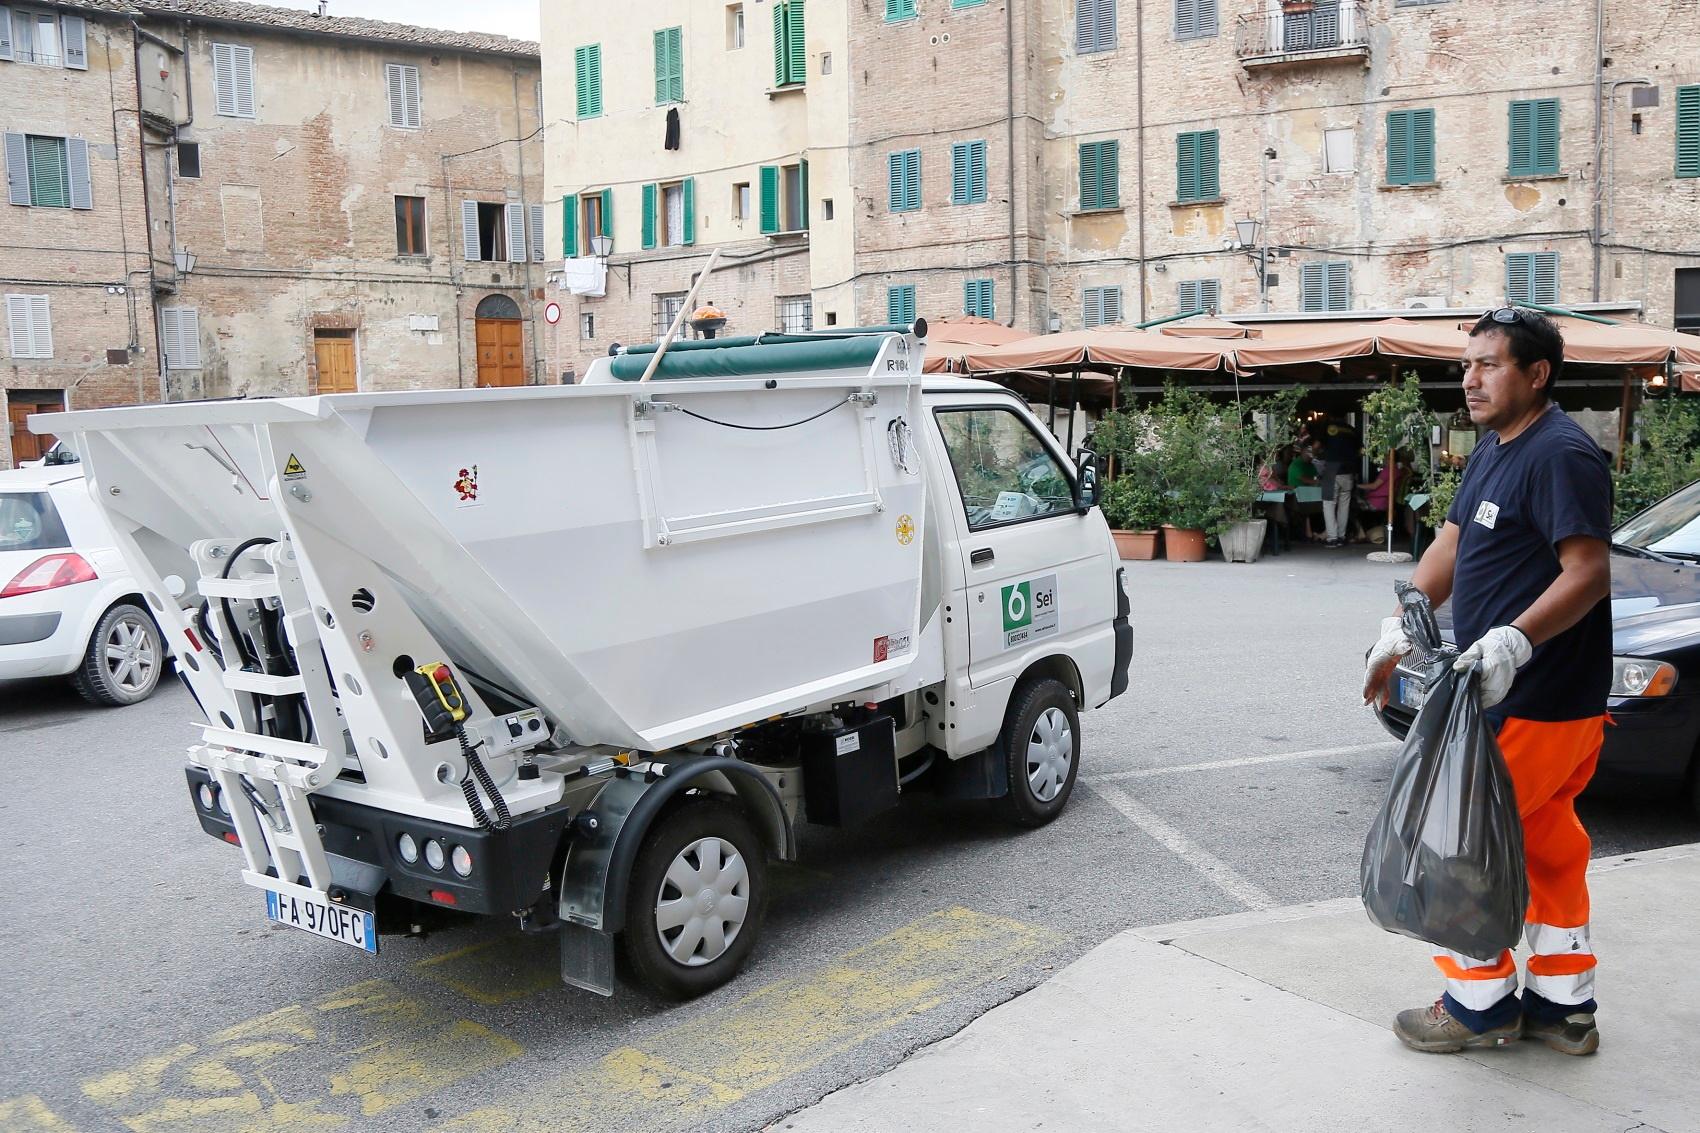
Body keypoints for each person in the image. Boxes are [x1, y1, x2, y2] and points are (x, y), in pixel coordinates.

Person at [1363, 307, 1612, 1057]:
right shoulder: (1495, 450)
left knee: (1458, 846)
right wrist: (1403, 621)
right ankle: (1563, 1003)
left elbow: (1589, 571)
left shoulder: (1561, 452)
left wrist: (1513, 639)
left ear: (1536, 374)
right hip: (1531, 700)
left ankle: (1477, 1004)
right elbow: (1455, 538)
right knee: (1547, 847)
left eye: (1489, 364)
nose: (1469, 378)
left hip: (1532, 698)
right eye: (1467, 364)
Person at [1318, 416, 1360, 547]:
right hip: (1348, 471)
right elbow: (1360, 451)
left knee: (1328, 504)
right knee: (1344, 505)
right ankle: (1341, 536)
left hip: (1331, 470)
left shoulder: (1327, 428)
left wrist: (1316, 455)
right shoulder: (1351, 430)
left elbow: (1316, 446)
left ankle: (1332, 538)